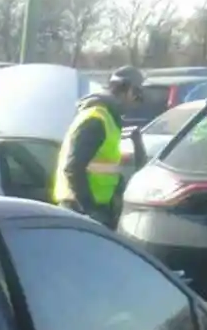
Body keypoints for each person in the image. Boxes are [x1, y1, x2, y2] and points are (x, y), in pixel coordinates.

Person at [55, 65, 146, 229]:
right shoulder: (96, 119)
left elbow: (104, 165)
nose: (136, 102)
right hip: (79, 209)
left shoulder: (108, 118)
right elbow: (73, 168)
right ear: (127, 90)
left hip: (96, 206)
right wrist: (89, 209)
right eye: (137, 94)